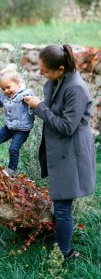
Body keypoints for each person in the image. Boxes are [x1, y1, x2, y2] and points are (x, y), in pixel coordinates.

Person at [24, 44, 96, 260]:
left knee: (63, 206)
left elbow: (67, 126)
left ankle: (65, 254)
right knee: (59, 203)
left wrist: (40, 108)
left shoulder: (76, 89)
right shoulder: (56, 81)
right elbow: (52, 108)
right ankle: (58, 243)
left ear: (61, 69)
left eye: (44, 70)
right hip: (61, 151)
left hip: (72, 155)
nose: (40, 73)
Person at [0, 64, 35, 178]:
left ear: (18, 83)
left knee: (13, 148)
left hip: (22, 129)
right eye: (3, 89)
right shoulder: (3, 95)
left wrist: (31, 105)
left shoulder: (26, 94)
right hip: (9, 127)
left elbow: (33, 108)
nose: (6, 91)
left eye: (8, 87)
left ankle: (11, 171)